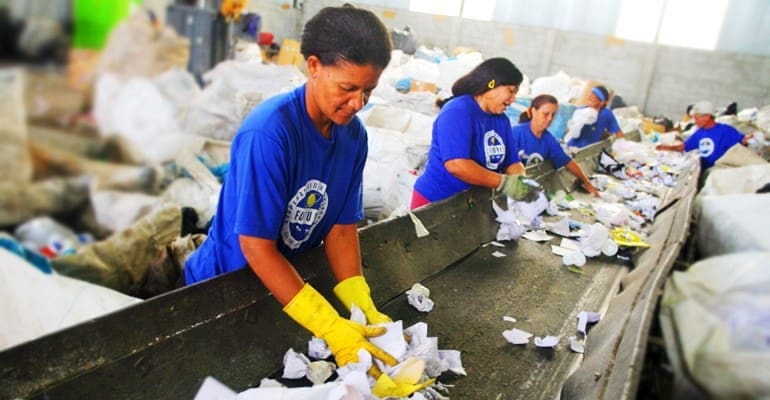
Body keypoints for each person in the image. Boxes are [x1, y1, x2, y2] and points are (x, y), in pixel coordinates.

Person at [183, 6, 417, 389]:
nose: (358, 103)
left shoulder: (353, 136)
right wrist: (329, 326)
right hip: (220, 290)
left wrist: (363, 309)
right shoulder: (270, 134)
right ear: (313, 66)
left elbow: (342, 230)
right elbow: (256, 247)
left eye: (368, 91)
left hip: (281, 291)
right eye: (347, 88)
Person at [411, 57, 538, 210]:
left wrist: (521, 182)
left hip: (470, 204)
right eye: (510, 91)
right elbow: (457, 165)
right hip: (436, 203)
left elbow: (512, 161)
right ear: (492, 84)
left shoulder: (501, 120)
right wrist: (505, 183)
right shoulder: (458, 111)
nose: (513, 100)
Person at [514, 94, 600, 197]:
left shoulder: (548, 140)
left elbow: (567, 161)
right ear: (534, 111)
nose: (550, 118)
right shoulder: (516, 133)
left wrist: (586, 182)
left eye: (553, 115)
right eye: (546, 114)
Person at [656, 100, 750, 169]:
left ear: (707, 117)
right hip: (704, 172)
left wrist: (752, 138)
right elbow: (685, 147)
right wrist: (666, 147)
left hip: (719, 172)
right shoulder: (699, 133)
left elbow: (743, 143)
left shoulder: (725, 131)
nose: (695, 121)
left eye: (697, 118)